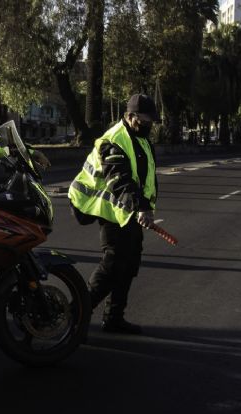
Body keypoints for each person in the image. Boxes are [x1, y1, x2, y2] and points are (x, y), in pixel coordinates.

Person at [68, 93, 159, 334]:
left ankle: (114, 318)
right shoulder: (114, 140)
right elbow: (119, 180)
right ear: (130, 117)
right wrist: (141, 207)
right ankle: (73, 319)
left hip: (125, 209)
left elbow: (143, 177)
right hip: (106, 206)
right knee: (113, 264)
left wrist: (144, 206)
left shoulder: (139, 138)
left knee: (129, 262)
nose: (149, 124)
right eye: (145, 119)